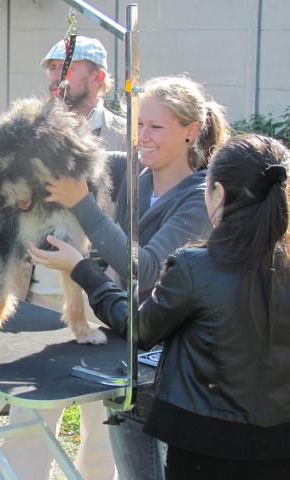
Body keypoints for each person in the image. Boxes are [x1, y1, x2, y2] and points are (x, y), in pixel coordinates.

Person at [28, 133, 290, 480]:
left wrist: (82, 270)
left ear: (218, 194)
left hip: (202, 447)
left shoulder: (194, 268)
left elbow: (139, 328)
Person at [39, 74, 231, 480]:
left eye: (156, 127)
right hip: (126, 339)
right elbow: (77, 158)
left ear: (190, 132)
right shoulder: (133, 173)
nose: (142, 136)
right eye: (138, 124)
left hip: (170, 364)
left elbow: (145, 270)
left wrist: (82, 208)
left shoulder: (200, 199)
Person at [0, 36, 126, 480]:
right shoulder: (21, 136)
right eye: (50, 68)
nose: (53, 77)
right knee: (27, 426)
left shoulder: (128, 137)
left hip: (101, 302)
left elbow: (126, 223)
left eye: (65, 68)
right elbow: (1, 214)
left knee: (105, 431)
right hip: (33, 300)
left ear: (99, 79)